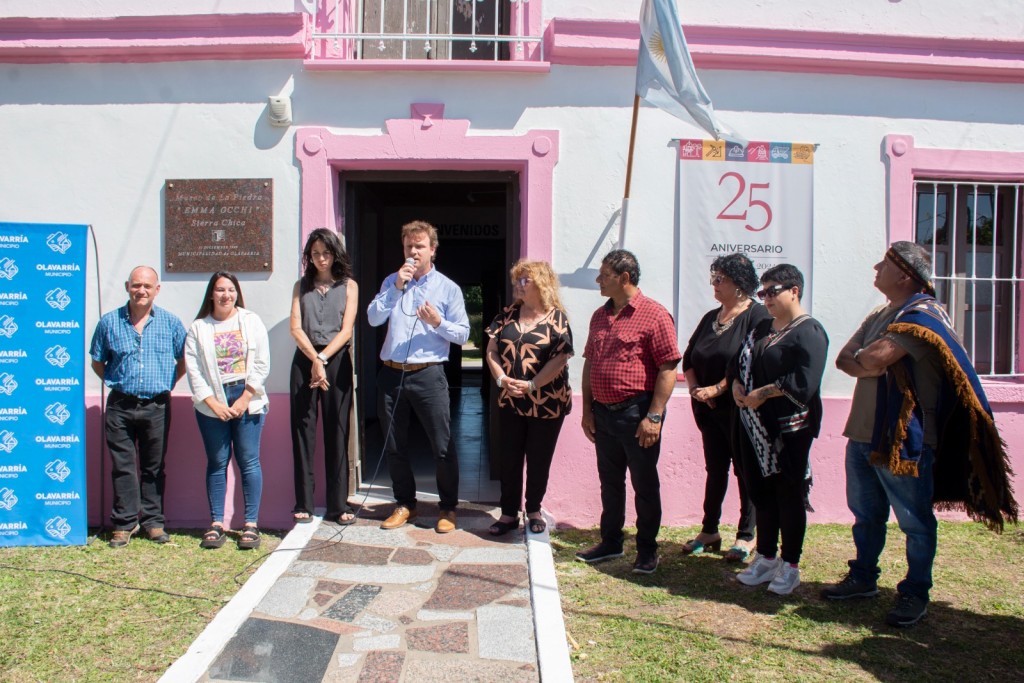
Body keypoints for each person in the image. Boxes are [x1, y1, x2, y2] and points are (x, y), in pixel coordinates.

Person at [821, 242, 1018, 626]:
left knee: (914, 521)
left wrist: (866, 361)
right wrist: (866, 361)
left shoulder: (923, 316)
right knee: (865, 515)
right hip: (862, 433)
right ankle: (863, 578)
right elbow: (845, 359)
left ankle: (915, 592)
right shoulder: (882, 313)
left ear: (905, 274)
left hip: (901, 439)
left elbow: (871, 359)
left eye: (885, 263)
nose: (876, 267)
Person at [576, 250, 681, 574]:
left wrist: (654, 416)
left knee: (644, 484)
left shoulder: (654, 314)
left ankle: (647, 549)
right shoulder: (599, 316)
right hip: (604, 415)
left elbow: (667, 368)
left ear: (624, 278)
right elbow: (590, 363)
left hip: (637, 415)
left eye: (604, 275)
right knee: (610, 482)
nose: (598, 280)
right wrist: (587, 411)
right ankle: (611, 541)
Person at [731, 264, 828, 595]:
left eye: (773, 291)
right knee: (761, 493)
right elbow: (739, 362)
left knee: (789, 495)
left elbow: (804, 383)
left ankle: (790, 565)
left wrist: (764, 392)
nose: (766, 298)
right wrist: (735, 385)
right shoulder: (761, 328)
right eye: (763, 292)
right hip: (755, 426)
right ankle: (766, 557)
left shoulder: (808, 331)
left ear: (794, 291)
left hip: (790, 430)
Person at [367, 220, 469, 533]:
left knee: (441, 445)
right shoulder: (391, 282)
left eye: (420, 246)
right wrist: (396, 288)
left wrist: (438, 323)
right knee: (395, 445)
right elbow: (373, 319)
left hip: (428, 375)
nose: (413, 251)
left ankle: (448, 508)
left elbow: (463, 334)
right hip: (391, 374)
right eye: (409, 246)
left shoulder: (448, 288)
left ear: (432, 250)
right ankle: (405, 504)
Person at [90, 265, 187, 548]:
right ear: (127, 287)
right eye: (136, 285)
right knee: (122, 466)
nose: (141, 290)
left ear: (157, 290)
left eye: (147, 286)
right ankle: (124, 523)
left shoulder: (170, 323)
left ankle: (153, 522)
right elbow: (98, 360)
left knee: (153, 466)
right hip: (120, 404)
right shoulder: (109, 322)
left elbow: (183, 359)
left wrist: (167, 383)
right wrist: (114, 381)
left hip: (157, 405)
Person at [682, 253, 768, 561]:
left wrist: (718, 388)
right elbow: (689, 358)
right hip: (708, 409)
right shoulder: (711, 317)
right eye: (713, 278)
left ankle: (747, 535)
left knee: (744, 471)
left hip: (740, 409)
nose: (714, 285)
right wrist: (696, 390)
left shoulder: (757, 316)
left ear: (740, 284)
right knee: (715, 469)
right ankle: (709, 529)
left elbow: (747, 361)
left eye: (721, 279)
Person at [485, 260, 573, 536]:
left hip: (547, 402)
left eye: (525, 280)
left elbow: (560, 359)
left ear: (542, 284)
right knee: (509, 458)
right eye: (517, 280)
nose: (518, 285)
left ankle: (533, 510)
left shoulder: (557, 318)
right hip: (510, 400)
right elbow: (491, 351)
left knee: (538, 459)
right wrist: (501, 379)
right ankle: (509, 513)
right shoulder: (506, 315)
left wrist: (533, 385)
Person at [185, 272, 270, 550]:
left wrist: (245, 398)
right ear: (211, 294)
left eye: (231, 289)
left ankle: (250, 524)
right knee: (217, 462)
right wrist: (213, 404)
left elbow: (262, 363)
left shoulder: (250, 320)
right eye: (220, 290)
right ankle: (216, 524)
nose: (226, 295)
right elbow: (194, 370)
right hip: (212, 403)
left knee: (249, 461)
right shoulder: (198, 327)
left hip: (246, 398)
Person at [290, 228, 359, 526]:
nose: (321, 258)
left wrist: (322, 358)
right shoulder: (300, 286)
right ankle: (303, 502)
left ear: (335, 254)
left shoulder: (349, 286)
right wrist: (313, 359)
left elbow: (346, 330)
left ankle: (337, 505)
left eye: (326, 253)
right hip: (304, 360)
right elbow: (295, 327)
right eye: (315, 253)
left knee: (337, 431)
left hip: (336, 359)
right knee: (303, 431)